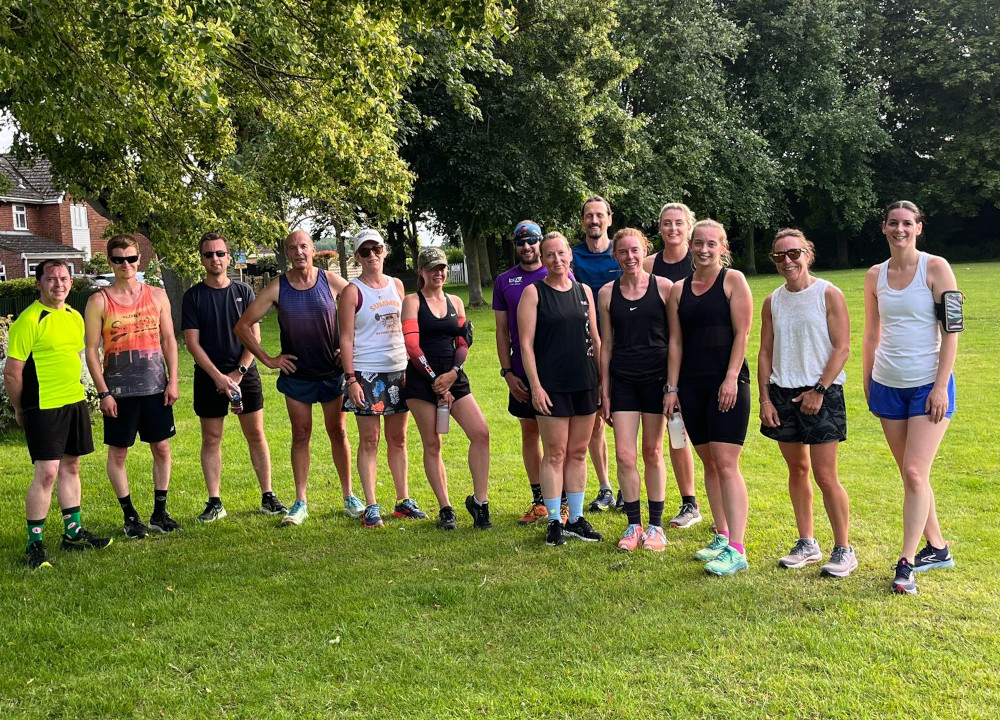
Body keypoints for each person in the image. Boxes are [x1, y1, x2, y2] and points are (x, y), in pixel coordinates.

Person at [863, 201, 961, 595]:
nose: (900, 229)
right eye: (893, 223)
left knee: (917, 472)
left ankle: (906, 563)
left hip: (927, 384)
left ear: (919, 228)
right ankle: (938, 548)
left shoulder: (936, 268)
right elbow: (872, 332)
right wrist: (868, 381)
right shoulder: (875, 275)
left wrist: (940, 386)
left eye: (907, 223)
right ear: (884, 228)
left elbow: (952, 330)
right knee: (910, 473)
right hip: (887, 382)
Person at [235, 230, 361, 526]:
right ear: (287, 253)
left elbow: (361, 308)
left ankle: (349, 496)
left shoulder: (330, 281)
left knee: (338, 432)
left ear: (313, 249)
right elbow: (242, 326)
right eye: (292, 248)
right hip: (297, 375)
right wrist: (268, 359)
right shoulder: (277, 287)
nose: (299, 252)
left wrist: (349, 349)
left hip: (331, 373)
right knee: (301, 434)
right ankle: (300, 501)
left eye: (303, 246)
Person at [757, 229, 856, 577]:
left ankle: (844, 548)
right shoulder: (772, 301)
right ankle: (807, 542)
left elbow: (842, 347)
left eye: (794, 253)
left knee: (826, 476)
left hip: (821, 394)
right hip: (783, 393)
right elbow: (765, 351)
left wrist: (819, 389)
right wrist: (765, 397)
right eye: (779, 256)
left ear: (808, 254)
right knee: (797, 470)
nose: (787, 261)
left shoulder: (828, 294)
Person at [5, 260, 112, 568]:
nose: (58, 284)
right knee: (47, 472)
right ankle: (34, 544)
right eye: (51, 279)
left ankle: (73, 533)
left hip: (73, 401)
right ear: (38, 283)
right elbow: (13, 373)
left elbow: (75, 355)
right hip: (43, 405)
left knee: (71, 466)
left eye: (63, 278)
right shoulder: (29, 320)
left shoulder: (74, 316)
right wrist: (20, 409)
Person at [664, 220, 752, 575]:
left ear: (722, 246)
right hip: (690, 385)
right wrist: (672, 389)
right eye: (697, 242)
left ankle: (737, 548)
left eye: (711, 244)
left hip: (727, 383)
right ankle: (722, 533)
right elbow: (675, 342)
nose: (703, 249)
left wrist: (731, 378)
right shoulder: (678, 290)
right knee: (709, 463)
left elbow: (742, 333)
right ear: (690, 243)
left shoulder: (733, 281)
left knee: (727, 463)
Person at [182, 232, 286, 522]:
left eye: (219, 253)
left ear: (228, 257)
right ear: (202, 259)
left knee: (256, 434)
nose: (215, 259)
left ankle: (268, 496)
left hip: (245, 374)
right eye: (208, 254)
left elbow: (254, 335)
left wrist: (238, 373)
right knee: (211, 438)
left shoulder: (245, 292)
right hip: (209, 377)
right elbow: (192, 343)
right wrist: (218, 377)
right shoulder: (194, 296)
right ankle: (215, 501)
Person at [85, 235, 180, 539]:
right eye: (118, 259)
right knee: (118, 454)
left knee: (162, 448)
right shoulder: (99, 300)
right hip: (119, 393)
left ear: (140, 260)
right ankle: (130, 517)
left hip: (156, 388)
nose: (125, 265)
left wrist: (173, 380)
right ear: (109, 261)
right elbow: (91, 351)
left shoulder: (157, 296)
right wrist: (103, 392)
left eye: (130, 258)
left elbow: (168, 341)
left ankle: (159, 513)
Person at [519, 232, 603, 547]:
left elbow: (595, 337)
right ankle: (555, 520)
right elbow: (525, 345)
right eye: (550, 254)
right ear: (542, 258)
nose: (557, 260)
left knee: (578, 452)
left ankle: (576, 518)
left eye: (561, 253)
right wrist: (536, 386)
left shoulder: (584, 292)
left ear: (570, 255)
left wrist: (601, 381)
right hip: (551, 385)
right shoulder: (534, 293)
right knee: (555, 452)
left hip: (584, 382)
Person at [339, 229, 426, 528]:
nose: (372, 255)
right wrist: (351, 379)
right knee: (369, 440)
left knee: (399, 439)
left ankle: (403, 501)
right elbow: (346, 339)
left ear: (385, 251)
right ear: (357, 257)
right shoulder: (352, 291)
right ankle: (372, 505)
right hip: (366, 372)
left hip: (399, 370)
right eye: (365, 251)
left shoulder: (397, 286)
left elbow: (406, 329)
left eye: (376, 248)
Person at [402, 247, 491, 530]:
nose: (439, 273)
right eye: (432, 269)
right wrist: (435, 382)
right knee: (433, 443)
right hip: (421, 379)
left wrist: (453, 374)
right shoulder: (412, 301)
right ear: (421, 272)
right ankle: (446, 508)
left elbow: (463, 342)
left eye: (442, 268)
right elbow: (412, 346)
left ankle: (480, 502)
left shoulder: (456, 301)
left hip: (453, 376)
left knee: (481, 433)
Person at [598, 229, 672, 552]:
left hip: (657, 380)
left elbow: (676, 342)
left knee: (652, 452)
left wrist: (673, 387)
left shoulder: (665, 288)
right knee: (625, 455)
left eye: (635, 250)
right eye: (623, 252)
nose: (630, 257)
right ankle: (633, 523)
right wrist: (605, 389)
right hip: (623, 381)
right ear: (615, 256)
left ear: (645, 251)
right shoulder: (605, 294)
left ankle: (656, 527)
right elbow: (606, 345)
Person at [642, 202, 701, 529]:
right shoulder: (650, 265)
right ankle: (689, 501)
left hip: (698, 356)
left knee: (704, 436)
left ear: (689, 226)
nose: (673, 229)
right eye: (667, 223)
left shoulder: (699, 260)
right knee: (674, 429)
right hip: (662, 358)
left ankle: (713, 501)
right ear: (660, 227)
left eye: (679, 223)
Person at [493, 220, 552, 524]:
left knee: (558, 438)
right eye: (521, 242)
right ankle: (540, 499)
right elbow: (502, 332)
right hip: (520, 370)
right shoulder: (505, 281)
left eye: (532, 241)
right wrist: (507, 372)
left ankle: (563, 501)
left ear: (541, 242)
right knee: (530, 432)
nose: (527, 247)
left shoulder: (556, 272)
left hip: (555, 368)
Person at [572, 195, 620, 512]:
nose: (594, 220)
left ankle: (634, 490)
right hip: (586, 348)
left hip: (626, 346)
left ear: (609, 219)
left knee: (632, 421)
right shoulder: (573, 257)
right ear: (582, 221)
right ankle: (605, 488)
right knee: (596, 422)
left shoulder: (624, 252)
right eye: (589, 216)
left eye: (599, 215)